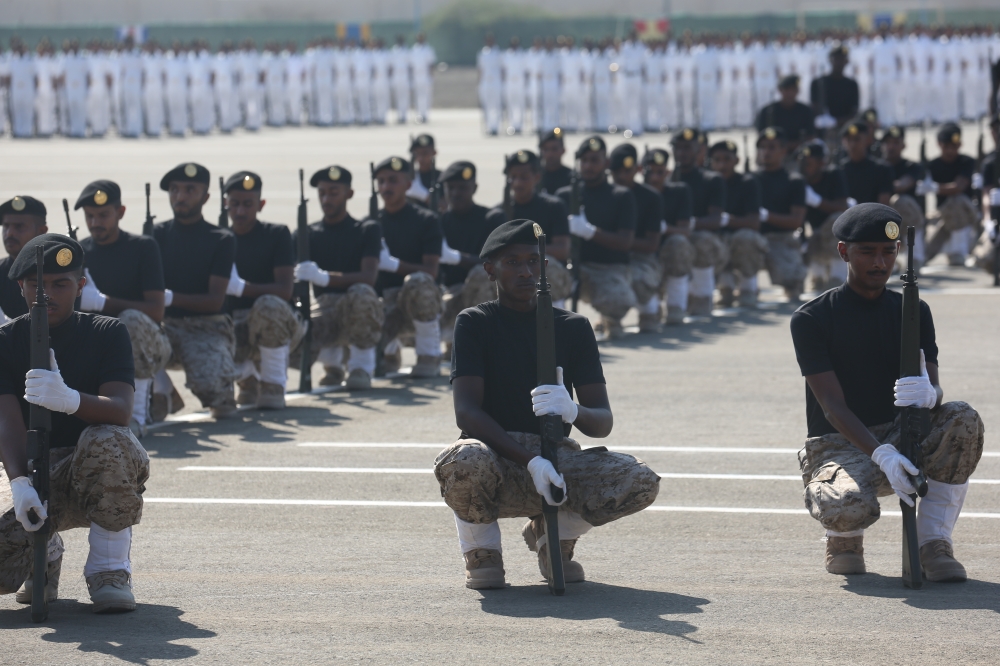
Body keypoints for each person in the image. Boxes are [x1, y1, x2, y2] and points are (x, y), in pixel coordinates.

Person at [434, 219, 660, 589]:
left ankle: (552, 537)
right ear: (490, 268)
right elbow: (468, 413)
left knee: (639, 480)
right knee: (462, 461)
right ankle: (483, 551)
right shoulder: (475, 323)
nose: (525, 271)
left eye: (532, 262)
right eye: (512, 262)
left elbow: (601, 422)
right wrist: (531, 461)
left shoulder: (573, 327)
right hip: (496, 456)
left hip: (556, 456)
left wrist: (572, 409)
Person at [791, 203, 984, 579]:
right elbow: (831, 405)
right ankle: (843, 540)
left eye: (888, 251)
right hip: (840, 443)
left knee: (962, 418)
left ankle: (933, 543)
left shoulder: (914, 310)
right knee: (844, 505)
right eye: (868, 251)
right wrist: (883, 455)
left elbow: (934, 384)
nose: (880, 262)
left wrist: (931, 395)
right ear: (844, 251)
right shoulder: (812, 318)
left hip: (902, 431)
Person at [0, 234, 148, 612]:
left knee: (109, 439)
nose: (47, 293)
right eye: (37, 284)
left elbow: (120, 410)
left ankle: (109, 571)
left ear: (80, 286)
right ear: (20, 286)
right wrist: (18, 482)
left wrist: (69, 400)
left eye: (60, 284)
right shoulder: (4, 341)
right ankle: (45, 553)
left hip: (88, 472)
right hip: (32, 473)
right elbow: (6, 420)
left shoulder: (106, 332)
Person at [75, 180, 171, 435]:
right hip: (100, 348)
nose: (95, 223)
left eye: (103, 215)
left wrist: (102, 302)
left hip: (144, 343)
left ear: (121, 212)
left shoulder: (143, 248)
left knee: (130, 320)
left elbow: (156, 311)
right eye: (90, 216)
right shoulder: (79, 252)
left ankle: (137, 415)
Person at [152, 163, 237, 420]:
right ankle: (162, 389)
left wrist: (169, 297)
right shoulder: (155, 235)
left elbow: (214, 302)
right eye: (175, 190)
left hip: (205, 328)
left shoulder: (220, 239)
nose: (180, 196)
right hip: (164, 328)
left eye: (190, 190)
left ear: (206, 197)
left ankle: (224, 384)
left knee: (217, 398)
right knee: (127, 335)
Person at [293, 166, 383, 390]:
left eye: (333, 192)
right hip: (323, 309)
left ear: (349, 194)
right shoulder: (306, 234)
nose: (326, 198)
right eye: (322, 193)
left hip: (357, 308)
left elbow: (368, 278)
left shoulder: (365, 230)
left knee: (362, 294)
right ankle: (332, 364)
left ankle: (360, 367)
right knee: (293, 331)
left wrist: (323, 278)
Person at [221, 171, 305, 409]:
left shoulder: (276, 235)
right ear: (226, 204)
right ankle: (247, 379)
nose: (240, 211)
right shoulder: (218, 239)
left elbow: (284, 290)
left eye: (248, 204)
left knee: (269, 305)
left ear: (261, 204)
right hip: (232, 326)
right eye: (234, 204)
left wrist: (241, 288)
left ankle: (273, 385)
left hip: (275, 323)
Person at [556, 136, 636, 339]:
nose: (588, 166)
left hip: (607, 269)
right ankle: (556, 330)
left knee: (618, 300)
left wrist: (589, 232)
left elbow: (625, 242)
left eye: (595, 160)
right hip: (573, 267)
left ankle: (610, 319)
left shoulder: (621, 196)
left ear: (606, 163)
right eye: (584, 161)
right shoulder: (564, 196)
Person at [371, 156, 443, 377]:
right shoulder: (370, 223)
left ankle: (428, 354)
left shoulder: (426, 220)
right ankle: (389, 353)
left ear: (409, 185)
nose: (386, 187)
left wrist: (394, 265)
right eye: (381, 181)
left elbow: (431, 272)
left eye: (393, 180)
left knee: (420, 281)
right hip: (385, 303)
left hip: (417, 300)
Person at [486, 150, 572, 307]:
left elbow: (562, 249)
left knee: (548, 269)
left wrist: (526, 253)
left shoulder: (553, 207)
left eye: (524, 177)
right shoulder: (499, 212)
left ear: (537, 178)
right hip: (511, 268)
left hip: (541, 266)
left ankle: (555, 320)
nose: (518, 183)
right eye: (513, 177)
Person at [437, 161, 497, 350]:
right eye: (450, 188)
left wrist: (457, 258)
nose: (455, 193)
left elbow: (495, 263)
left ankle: (481, 341)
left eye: (462, 188)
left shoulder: (491, 218)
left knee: (481, 274)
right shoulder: (437, 222)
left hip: (482, 295)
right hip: (447, 296)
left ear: (475, 188)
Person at [670, 128, 727, 317]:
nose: (682, 153)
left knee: (702, 241)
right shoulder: (665, 179)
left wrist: (687, 224)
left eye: (687, 148)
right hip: (672, 238)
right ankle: (671, 305)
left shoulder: (711, 180)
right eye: (678, 148)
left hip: (700, 241)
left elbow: (715, 220)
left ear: (699, 150)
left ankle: (702, 298)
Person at [707, 140, 769, 308]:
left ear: (737, 161)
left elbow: (754, 223)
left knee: (746, 238)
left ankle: (748, 288)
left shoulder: (747, 183)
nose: (721, 165)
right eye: (717, 160)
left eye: (727, 159)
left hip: (739, 238)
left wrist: (726, 220)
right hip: (717, 238)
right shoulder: (707, 182)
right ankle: (724, 288)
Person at [608, 143, 663, 331]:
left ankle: (650, 312)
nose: (622, 177)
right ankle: (610, 319)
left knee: (639, 277)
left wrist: (619, 241)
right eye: (617, 172)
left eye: (627, 171)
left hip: (641, 258)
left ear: (638, 169)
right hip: (611, 259)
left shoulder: (651, 197)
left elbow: (651, 244)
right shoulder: (605, 195)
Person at [640, 147, 695, 325]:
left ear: (668, 172)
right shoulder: (634, 194)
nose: (655, 177)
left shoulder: (679, 192)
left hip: (668, 253)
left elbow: (685, 231)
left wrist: (663, 228)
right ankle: (648, 310)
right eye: (651, 171)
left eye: (660, 172)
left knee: (679, 243)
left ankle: (676, 306)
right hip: (645, 254)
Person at [756, 127, 808, 300]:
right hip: (755, 238)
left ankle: (795, 278)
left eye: (772, 147)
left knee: (793, 284)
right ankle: (744, 287)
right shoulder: (751, 180)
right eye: (762, 147)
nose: (766, 152)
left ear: (783, 151)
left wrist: (766, 216)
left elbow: (795, 221)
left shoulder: (794, 180)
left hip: (782, 238)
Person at [921, 123, 979, 266]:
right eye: (946, 146)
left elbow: (958, 187)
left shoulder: (966, 162)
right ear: (939, 145)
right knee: (925, 253)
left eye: (954, 146)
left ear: (960, 144)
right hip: (943, 214)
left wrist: (933, 188)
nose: (950, 150)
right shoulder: (932, 165)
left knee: (955, 201)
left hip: (966, 214)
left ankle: (959, 251)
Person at [798, 141, 850, 292]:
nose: (805, 167)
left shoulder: (834, 175)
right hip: (815, 234)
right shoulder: (799, 181)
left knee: (836, 223)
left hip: (839, 235)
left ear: (822, 162)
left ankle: (838, 276)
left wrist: (816, 201)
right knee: (812, 241)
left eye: (809, 163)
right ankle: (817, 277)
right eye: (802, 162)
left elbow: (842, 207)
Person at [880, 125, 927, 268]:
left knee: (899, 201)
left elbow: (902, 185)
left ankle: (916, 256)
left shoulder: (911, 166)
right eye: (887, 143)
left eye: (895, 143)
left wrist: (881, 187)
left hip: (906, 224)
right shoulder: (876, 167)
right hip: (882, 223)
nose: (891, 147)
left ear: (903, 145)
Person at [0, 196, 48, 323]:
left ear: (41, 231)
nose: (9, 233)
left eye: (19, 226)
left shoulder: (54, 271)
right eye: (6, 226)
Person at [755, 75, 815, 159]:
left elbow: (810, 137)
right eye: (787, 90)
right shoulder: (768, 111)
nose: (790, 93)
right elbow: (761, 138)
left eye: (793, 89)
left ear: (798, 91)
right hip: (772, 156)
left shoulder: (806, 111)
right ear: (780, 90)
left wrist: (787, 146)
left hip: (798, 156)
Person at [839, 120, 893, 210]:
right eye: (849, 139)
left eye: (857, 139)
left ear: (868, 140)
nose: (852, 144)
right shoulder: (839, 170)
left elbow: (883, 206)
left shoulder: (882, 169)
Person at [810, 45, 859, 130]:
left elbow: (854, 113)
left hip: (844, 129)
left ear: (847, 61)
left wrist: (835, 121)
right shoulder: (818, 83)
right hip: (822, 129)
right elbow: (814, 109)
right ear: (830, 60)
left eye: (842, 59)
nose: (839, 62)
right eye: (836, 59)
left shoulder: (852, 85)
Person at [406, 133, 441, 208]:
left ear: (434, 153)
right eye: (418, 153)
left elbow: (444, 206)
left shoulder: (441, 177)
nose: (421, 158)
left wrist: (423, 195)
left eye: (425, 153)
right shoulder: (409, 177)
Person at [477, 35, 503, 136]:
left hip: (496, 82)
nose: (489, 42)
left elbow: (502, 69)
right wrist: (479, 83)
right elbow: (480, 69)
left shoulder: (499, 53)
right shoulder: (482, 53)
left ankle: (495, 127)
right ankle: (488, 126)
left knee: (495, 105)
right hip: (485, 82)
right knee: (486, 106)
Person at [538, 128, 573, 195]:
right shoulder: (535, 177)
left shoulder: (572, 177)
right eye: (546, 149)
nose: (550, 154)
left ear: (563, 150)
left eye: (554, 149)